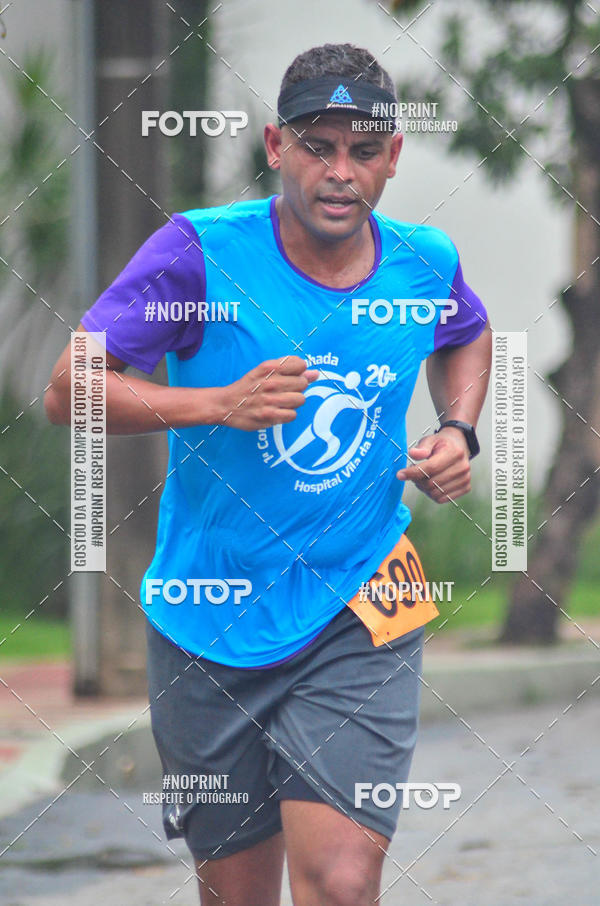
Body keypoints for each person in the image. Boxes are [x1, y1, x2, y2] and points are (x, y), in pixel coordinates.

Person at [46, 42, 492, 906]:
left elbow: (466, 333)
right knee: (238, 894)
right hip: (209, 612)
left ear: (393, 158)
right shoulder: (198, 256)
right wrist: (217, 403)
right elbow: (71, 388)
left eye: (364, 151)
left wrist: (460, 429)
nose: (339, 172)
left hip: (363, 598)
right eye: (316, 146)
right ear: (274, 147)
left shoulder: (423, 259)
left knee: (338, 878)